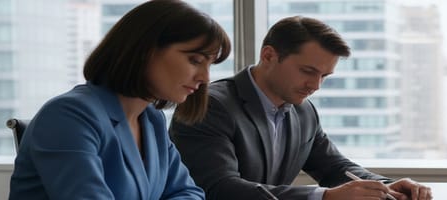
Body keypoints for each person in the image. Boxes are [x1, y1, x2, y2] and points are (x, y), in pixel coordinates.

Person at [169, 16, 432, 200]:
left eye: (324, 76)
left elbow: (334, 167)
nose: (315, 86)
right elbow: (219, 189)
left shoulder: (303, 111)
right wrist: (324, 197)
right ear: (269, 56)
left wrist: (386, 187)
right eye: (308, 71)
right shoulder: (210, 105)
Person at [9, 0, 231, 199]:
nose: (205, 78)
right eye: (195, 60)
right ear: (145, 50)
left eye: (209, 64)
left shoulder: (151, 120)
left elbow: (188, 193)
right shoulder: (68, 116)